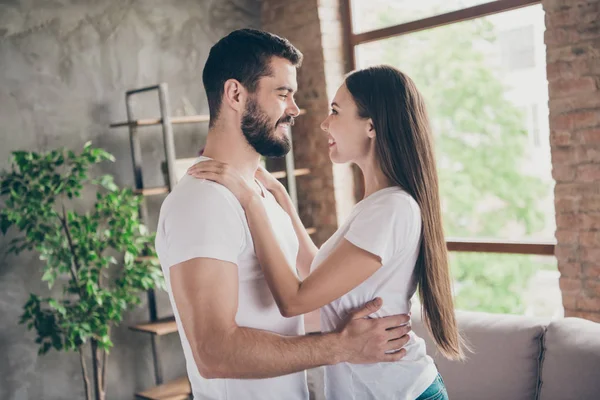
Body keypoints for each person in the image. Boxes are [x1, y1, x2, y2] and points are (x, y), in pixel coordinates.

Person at [155, 29, 413, 400]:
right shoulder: (203, 201)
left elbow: (297, 301)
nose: (295, 109)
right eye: (282, 94)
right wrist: (340, 346)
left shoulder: (262, 196)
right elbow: (213, 352)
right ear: (235, 94)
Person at [188, 65, 467, 400]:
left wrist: (251, 203)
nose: (324, 123)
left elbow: (294, 300)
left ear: (371, 126)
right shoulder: (376, 205)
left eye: (335, 111)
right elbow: (315, 269)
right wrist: (282, 200)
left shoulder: (392, 209)